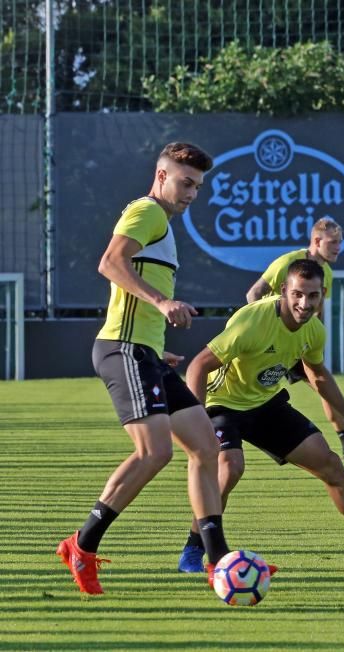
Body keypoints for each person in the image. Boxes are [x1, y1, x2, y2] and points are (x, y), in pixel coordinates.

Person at [58, 142, 235, 595]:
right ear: (161, 176)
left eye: (197, 186)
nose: (192, 193)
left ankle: (218, 561)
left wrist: (159, 347)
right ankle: (83, 543)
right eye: (185, 182)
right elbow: (110, 263)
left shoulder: (163, 224)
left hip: (146, 352)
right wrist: (162, 302)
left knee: (205, 448)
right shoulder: (148, 211)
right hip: (124, 348)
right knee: (155, 452)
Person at [178, 259, 344, 575]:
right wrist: (198, 422)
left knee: (329, 462)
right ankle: (194, 550)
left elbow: (317, 374)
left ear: (322, 295)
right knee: (230, 468)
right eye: (298, 294)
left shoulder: (314, 331)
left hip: (265, 404)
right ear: (283, 291)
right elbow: (198, 366)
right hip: (221, 404)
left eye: (313, 296)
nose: (304, 304)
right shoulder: (252, 322)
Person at [246, 217, 344, 464]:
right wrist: (261, 330)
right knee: (250, 393)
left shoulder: (325, 273)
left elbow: (316, 314)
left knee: (324, 387)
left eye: (340, 242)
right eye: (333, 242)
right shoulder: (289, 262)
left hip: (296, 346)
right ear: (317, 241)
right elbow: (253, 293)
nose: (338, 247)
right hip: (271, 346)